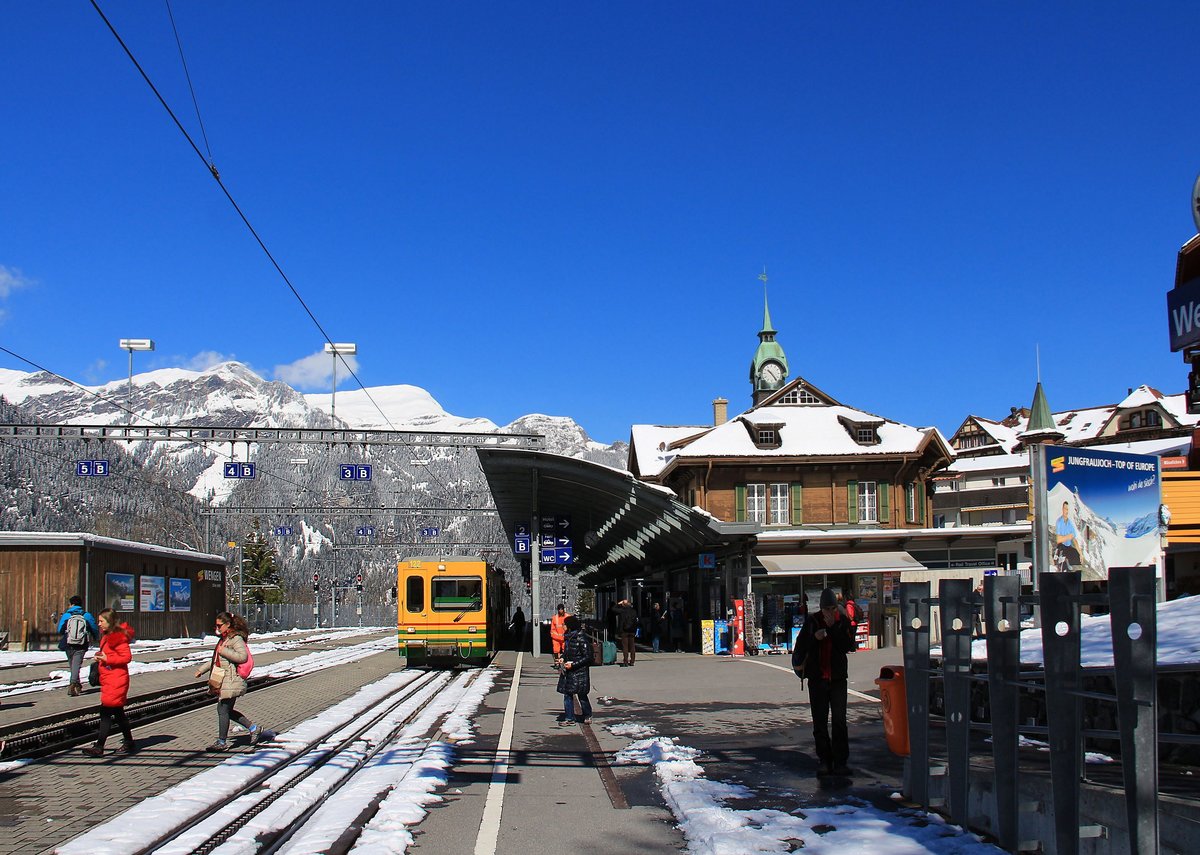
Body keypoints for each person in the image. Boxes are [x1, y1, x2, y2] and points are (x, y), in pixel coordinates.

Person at [790, 587, 856, 777]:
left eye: (832, 608)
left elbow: (847, 646)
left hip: (837, 678)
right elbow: (801, 647)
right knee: (819, 721)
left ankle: (841, 761)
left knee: (839, 721)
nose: (829, 612)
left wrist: (833, 628)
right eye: (826, 609)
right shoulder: (812, 621)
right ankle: (824, 760)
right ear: (820, 608)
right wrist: (815, 638)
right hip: (817, 678)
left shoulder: (841, 621)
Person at [194, 612, 262, 752]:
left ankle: (222, 742)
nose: (217, 628)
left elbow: (242, 657)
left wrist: (224, 651)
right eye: (216, 625)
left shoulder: (235, 639)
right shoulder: (224, 639)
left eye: (219, 625)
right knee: (226, 710)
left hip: (232, 679)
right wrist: (202, 670)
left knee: (223, 709)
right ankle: (254, 729)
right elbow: (216, 658)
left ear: (228, 625)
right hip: (225, 680)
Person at [81, 608, 136, 757]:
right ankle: (129, 741)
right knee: (118, 713)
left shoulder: (117, 637)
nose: (98, 624)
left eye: (101, 621)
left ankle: (99, 747)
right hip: (110, 679)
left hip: (116, 680)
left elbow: (126, 657)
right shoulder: (108, 635)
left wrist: (107, 659)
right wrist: (101, 657)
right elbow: (111, 654)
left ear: (109, 621)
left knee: (105, 713)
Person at [56, 595, 99, 697]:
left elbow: (60, 630)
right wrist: (96, 637)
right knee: (76, 665)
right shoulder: (86, 615)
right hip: (81, 643)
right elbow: (94, 628)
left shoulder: (66, 615)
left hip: (68, 643)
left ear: (71, 604)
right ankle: (73, 684)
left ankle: (76, 684)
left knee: (73, 665)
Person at [555, 615, 593, 725]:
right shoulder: (569, 637)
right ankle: (569, 717)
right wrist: (562, 658)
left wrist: (573, 664)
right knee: (567, 694)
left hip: (580, 672)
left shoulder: (581, 638)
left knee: (582, 695)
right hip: (569, 671)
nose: (563, 626)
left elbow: (588, 657)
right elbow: (568, 652)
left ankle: (587, 714)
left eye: (565, 624)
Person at [1055, 501, 1081, 568]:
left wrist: (1080, 554)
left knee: (1075, 554)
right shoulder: (1059, 521)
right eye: (1065, 509)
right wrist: (1068, 536)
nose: (1066, 511)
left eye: (1067, 509)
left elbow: (1074, 540)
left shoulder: (1070, 524)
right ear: (1062, 509)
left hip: (1068, 546)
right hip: (1061, 546)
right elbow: (1058, 539)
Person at [612, 598, 639, 666]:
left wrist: (618, 604)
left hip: (624, 631)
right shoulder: (634, 611)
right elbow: (636, 621)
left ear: (623, 605)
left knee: (625, 646)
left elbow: (613, 609)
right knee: (632, 646)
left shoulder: (622, 611)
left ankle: (626, 661)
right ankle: (632, 661)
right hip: (632, 630)